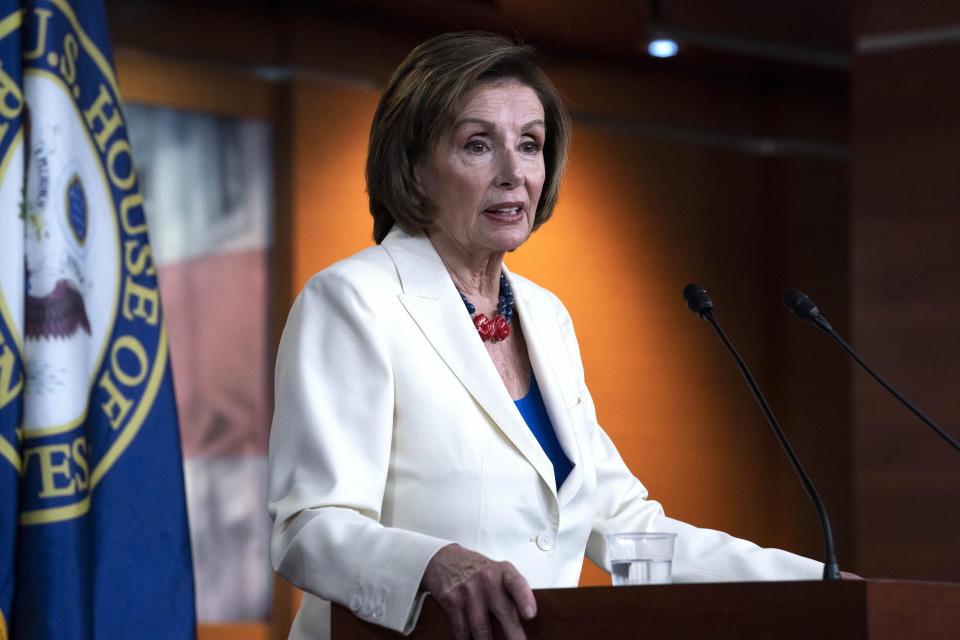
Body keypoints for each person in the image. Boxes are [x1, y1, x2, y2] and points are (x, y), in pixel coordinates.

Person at [267, 31, 823, 640]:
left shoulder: (545, 315)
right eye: (478, 145)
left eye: (529, 145)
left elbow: (623, 526)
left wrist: (817, 588)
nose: (513, 173)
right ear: (415, 168)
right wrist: (432, 563)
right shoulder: (355, 300)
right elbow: (309, 527)